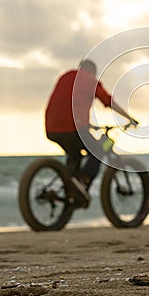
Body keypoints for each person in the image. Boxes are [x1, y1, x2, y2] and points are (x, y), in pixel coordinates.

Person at [45, 59, 138, 205]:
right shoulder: (90, 80)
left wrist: (88, 126)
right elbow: (108, 101)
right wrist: (129, 119)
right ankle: (84, 180)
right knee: (100, 149)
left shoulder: (66, 76)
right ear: (93, 71)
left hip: (51, 128)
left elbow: (67, 105)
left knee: (75, 155)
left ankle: (71, 190)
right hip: (72, 128)